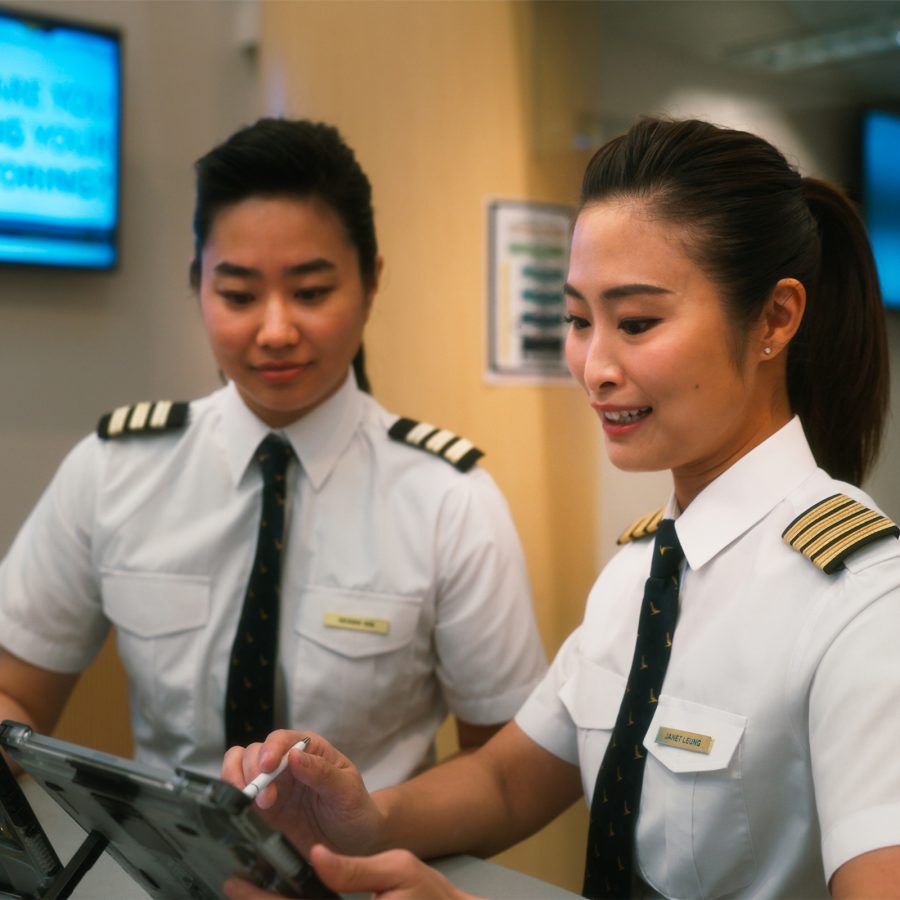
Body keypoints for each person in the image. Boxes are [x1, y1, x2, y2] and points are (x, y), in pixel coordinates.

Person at [221, 117, 900, 900]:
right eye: (579, 321)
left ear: (776, 319)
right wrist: (361, 816)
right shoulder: (641, 574)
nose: (595, 367)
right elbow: (510, 782)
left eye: (637, 322)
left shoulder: (861, 602)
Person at [0, 118, 547, 788]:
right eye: (238, 295)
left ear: (371, 283)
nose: (276, 329)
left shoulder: (448, 500)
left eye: (312, 293)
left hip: (364, 879)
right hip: (165, 878)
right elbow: (15, 693)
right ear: (197, 283)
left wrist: (365, 834)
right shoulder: (113, 471)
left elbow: (506, 771)